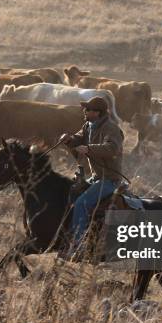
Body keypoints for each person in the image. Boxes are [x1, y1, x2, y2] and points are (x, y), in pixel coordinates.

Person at [60, 96, 125, 255]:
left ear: (97, 112)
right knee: (71, 196)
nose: (85, 111)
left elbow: (112, 149)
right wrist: (69, 138)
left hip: (110, 179)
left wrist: (89, 149)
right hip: (97, 177)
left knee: (82, 203)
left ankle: (79, 245)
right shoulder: (88, 125)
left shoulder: (111, 128)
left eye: (88, 109)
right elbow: (78, 137)